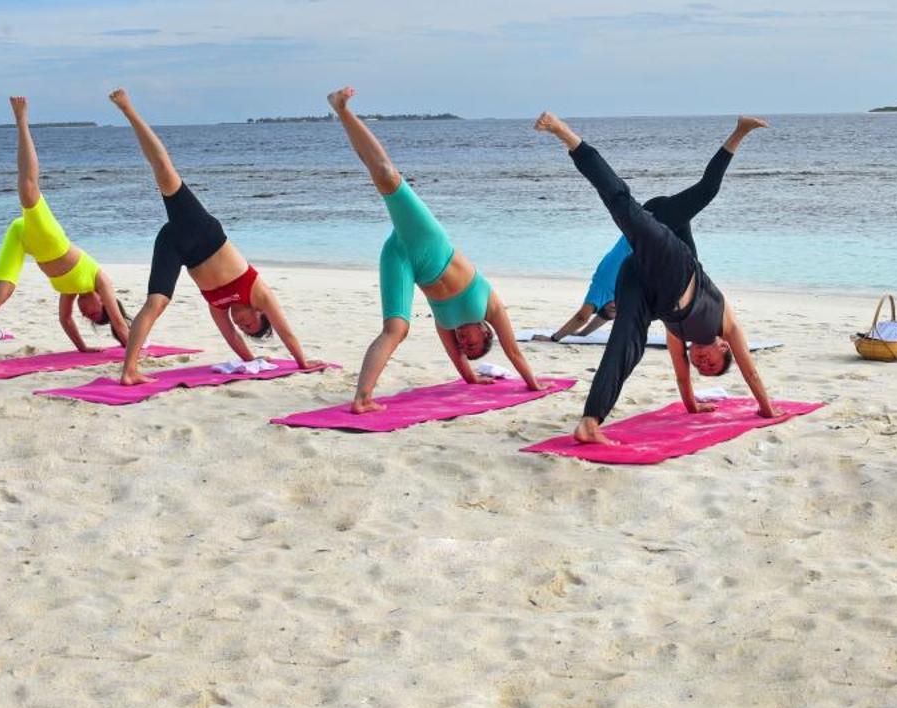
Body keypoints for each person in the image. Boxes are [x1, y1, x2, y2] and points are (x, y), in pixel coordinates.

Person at [533, 111, 777, 443]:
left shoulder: (679, 337)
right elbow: (750, 370)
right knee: (623, 205)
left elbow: (682, 378)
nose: (703, 364)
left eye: (702, 368)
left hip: (641, 280)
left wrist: (692, 406)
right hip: (674, 263)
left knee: (626, 345)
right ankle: (564, 133)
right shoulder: (726, 324)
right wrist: (766, 407)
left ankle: (590, 422)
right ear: (723, 347)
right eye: (713, 364)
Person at [327, 86, 543, 412]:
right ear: (485, 332)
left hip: (400, 257)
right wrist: (534, 384)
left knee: (395, 329)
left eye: (464, 347)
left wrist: (471, 377)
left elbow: (457, 361)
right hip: (429, 242)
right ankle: (342, 110)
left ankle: (362, 398)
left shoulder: (447, 325)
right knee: (387, 175)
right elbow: (514, 352)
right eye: (472, 344)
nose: (463, 344)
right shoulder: (490, 306)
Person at [107, 89, 320, 386]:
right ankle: (129, 110)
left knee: (155, 303)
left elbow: (230, 336)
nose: (241, 324)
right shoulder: (259, 292)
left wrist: (252, 360)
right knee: (165, 172)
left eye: (244, 327)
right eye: (250, 322)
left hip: (176, 244)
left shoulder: (220, 308)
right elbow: (286, 331)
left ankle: (128, 371)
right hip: (201, 231)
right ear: (258, 311)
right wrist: (301, 361)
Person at [546, 116, 769, 340]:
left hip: (655, 220)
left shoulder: (600, 287)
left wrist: (556, 337)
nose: (615, 309)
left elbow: (582, 316)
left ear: (600, 303)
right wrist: (583, 336)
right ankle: (716, 325)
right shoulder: (616, 290)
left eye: (610, 308)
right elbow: (599, 317)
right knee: (692, 268)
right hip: (660, 226)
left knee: (707, 190)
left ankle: (741, 129)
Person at [0, 97, 129, 371]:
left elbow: (65, 320)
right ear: (103, 300)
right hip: (51, 241)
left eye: (90, 317)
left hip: (23, 237)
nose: (87, 313)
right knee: (29, 190)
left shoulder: (71, 292)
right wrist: (134, 351)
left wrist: (82, 347)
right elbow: (119, 323)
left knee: (0, 292)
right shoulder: (99, 278)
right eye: (96, 311)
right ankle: (21, 118)